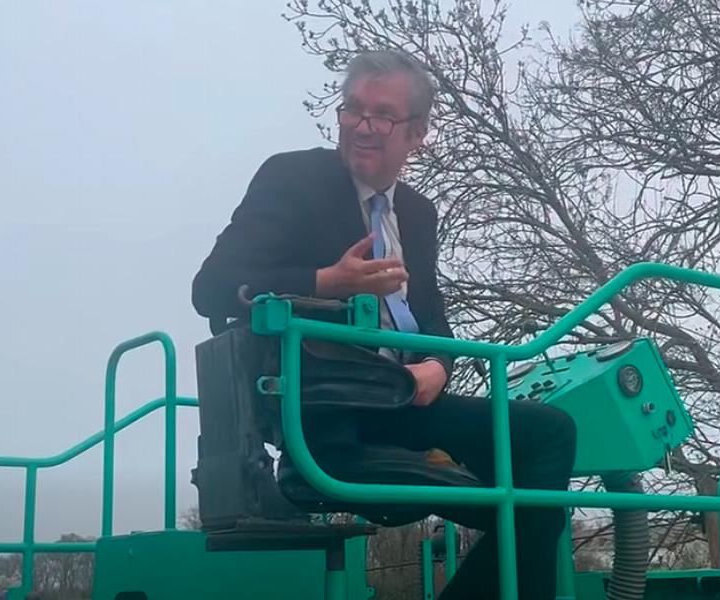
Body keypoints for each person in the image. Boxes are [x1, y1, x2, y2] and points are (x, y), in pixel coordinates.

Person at [191, 49, 577, 600]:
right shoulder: (292, 177)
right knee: (533, 512)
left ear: (416, 134)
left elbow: (433, 319)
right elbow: (210, 287)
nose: (363, 126)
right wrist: (327, 281)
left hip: (402, 403)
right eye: (354, 109)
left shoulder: (417, 213)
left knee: (547, 442)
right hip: (330, 413)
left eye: (383, 115)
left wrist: (437, 366)